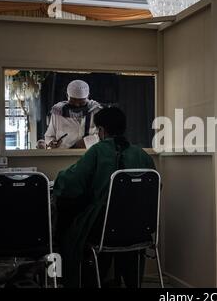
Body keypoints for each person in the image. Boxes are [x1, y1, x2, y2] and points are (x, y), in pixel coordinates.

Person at [53, 107, 155, 288]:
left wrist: (59, 179)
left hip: (104, 229)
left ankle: (73, 280)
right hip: (138, 229)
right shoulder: (142, 155)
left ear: (101, 130)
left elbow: (71, 183)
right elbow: (154, 190)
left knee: (65, 228)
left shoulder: (97, 151)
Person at [45, 80, 102, 149]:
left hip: (90, 155)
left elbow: (103, 136)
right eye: (72, 101)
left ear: (88, 96)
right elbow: (49, 136)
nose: (77, 105)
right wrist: (52, 142)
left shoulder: (96, 111)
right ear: (67, 96)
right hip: (62, 156)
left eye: (81, 103)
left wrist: (87, 142)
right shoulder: (58, 112)